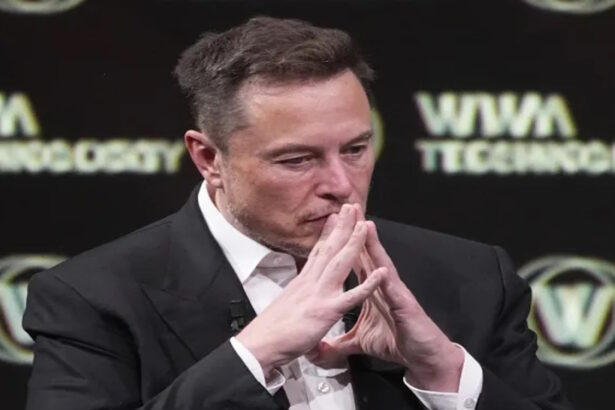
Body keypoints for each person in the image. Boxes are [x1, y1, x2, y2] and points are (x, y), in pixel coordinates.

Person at [23, 16, 572, 410]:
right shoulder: (92, 300)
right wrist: (252, 355)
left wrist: (442, 371)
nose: (341, 185)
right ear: (209, 158)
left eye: (355, 149)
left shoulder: (471, 276)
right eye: (297, 160)